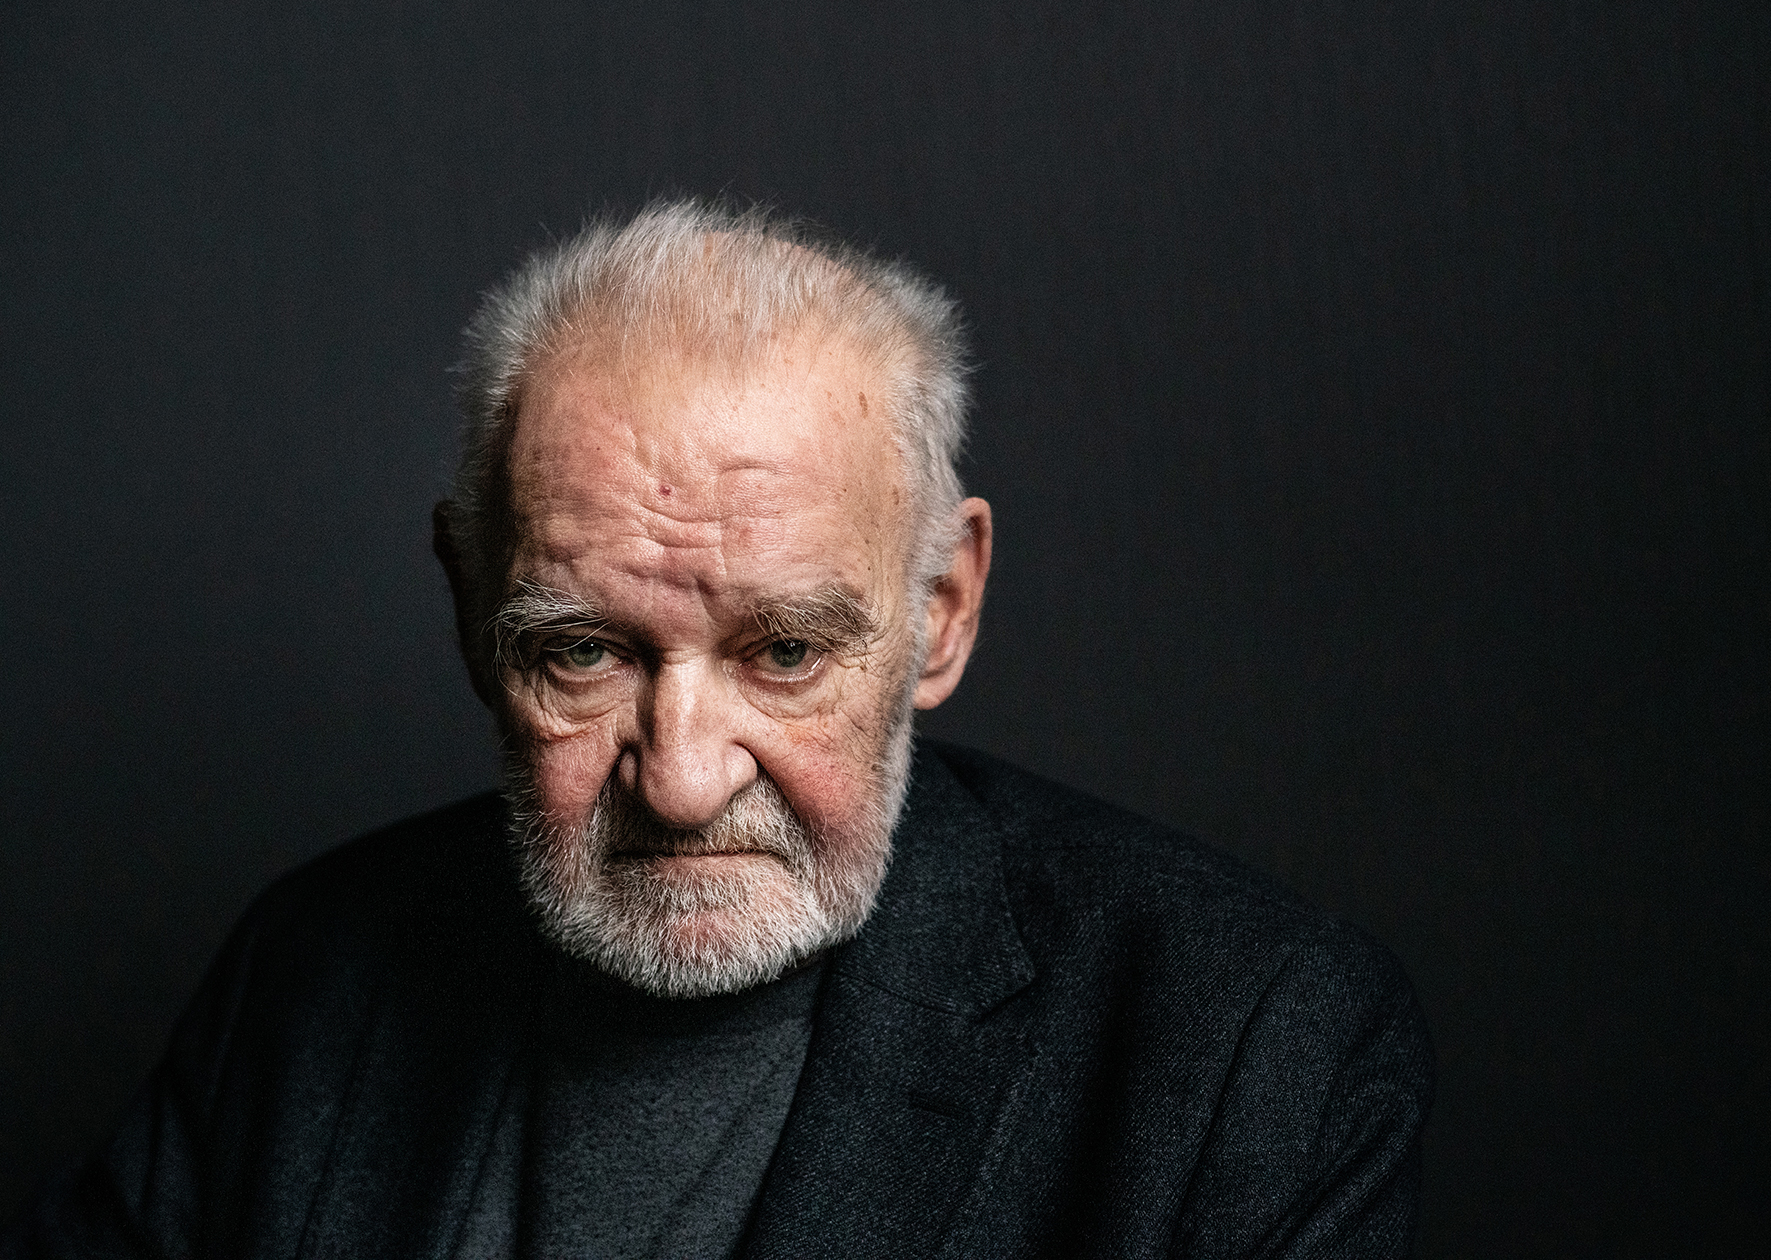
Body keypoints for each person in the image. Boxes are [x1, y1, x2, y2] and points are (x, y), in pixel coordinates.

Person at [3, 201, 1433, 1258]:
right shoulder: (305, 975)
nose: (683, 782)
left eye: (787, 650)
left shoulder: (1253, 1050)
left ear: (940, 610)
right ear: (469, 606)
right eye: (582, 651)